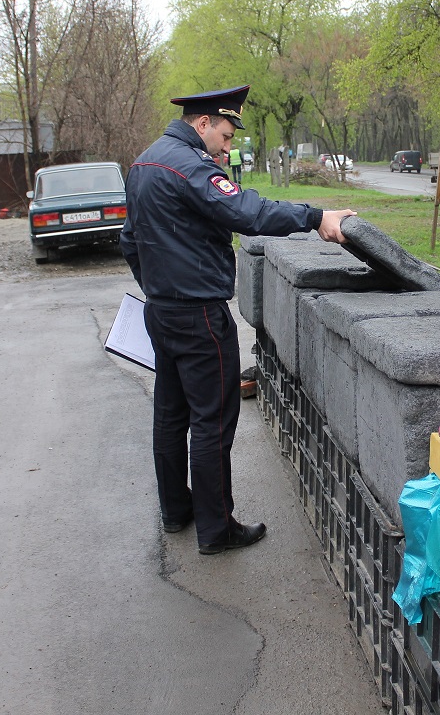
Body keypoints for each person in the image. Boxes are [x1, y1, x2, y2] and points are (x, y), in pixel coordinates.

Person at [120, 84, 356, 555]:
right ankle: (216, 528)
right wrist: (315, 216)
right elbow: (248, 212)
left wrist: (156, 290)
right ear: (202, 123)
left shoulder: (145, 161)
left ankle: (176, 510)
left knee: (169, 416)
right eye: (226, 136)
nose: (228, 148)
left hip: (161, 311)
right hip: (199, 316)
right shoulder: (190, 167)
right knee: (212, 420)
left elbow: (130, 240)